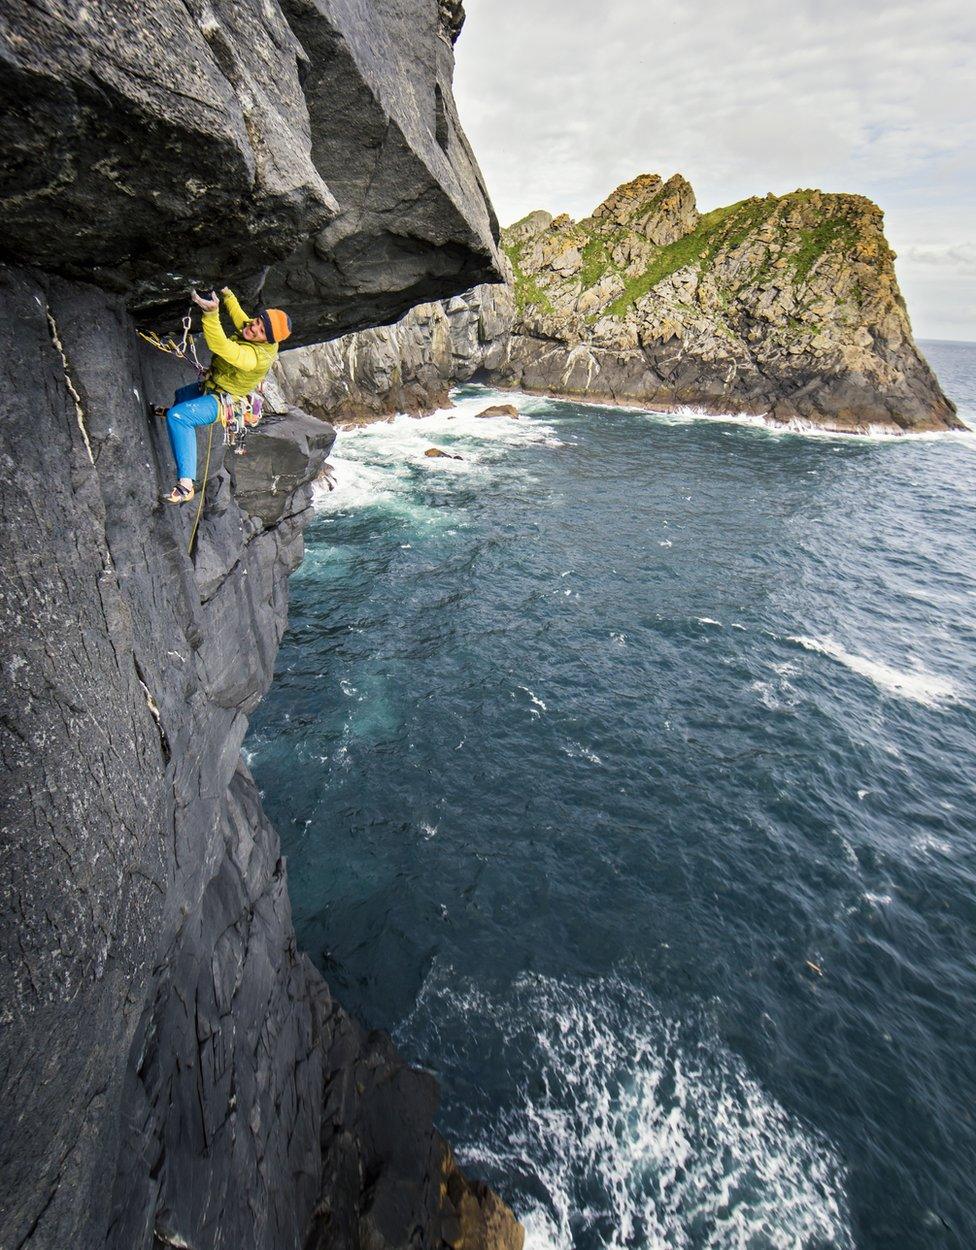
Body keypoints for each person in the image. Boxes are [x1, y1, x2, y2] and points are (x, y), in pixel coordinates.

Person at [162, 287, 292, 504]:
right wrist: (227, 294)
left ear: (267, 340)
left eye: (259, 331)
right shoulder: (260, 331)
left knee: (179, 417)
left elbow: (220, 345)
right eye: (257, 321)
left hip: (225, 401)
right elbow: (241, 318)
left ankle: (186, 485)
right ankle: (175, 424)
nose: (253, 328)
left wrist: (212, 314)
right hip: (214, 385)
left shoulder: (253, 358)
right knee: (181, 395)